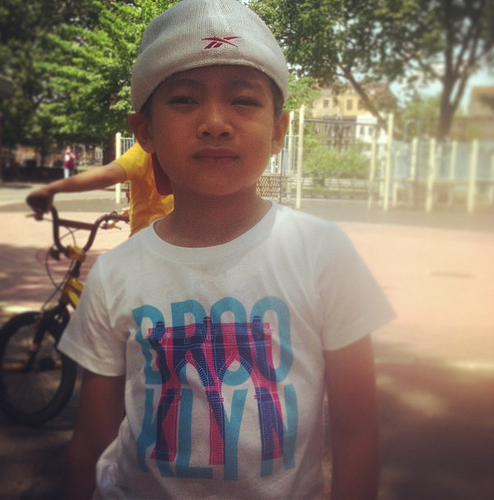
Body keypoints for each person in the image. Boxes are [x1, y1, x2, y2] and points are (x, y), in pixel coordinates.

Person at [59, 1, 395, 499]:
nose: (215, 122)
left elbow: (357, 433)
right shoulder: (115, 274)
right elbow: (90, 442)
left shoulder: (322, 254)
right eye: (184, 100)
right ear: (144, 131)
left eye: (243, 100)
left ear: (278, 130)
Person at [27, 142, 174, 236]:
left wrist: (51, 189)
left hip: (148, 245)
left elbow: (109, 175)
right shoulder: (181, 152)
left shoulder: (147, 148)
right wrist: (135, 211)